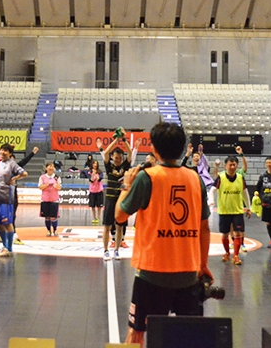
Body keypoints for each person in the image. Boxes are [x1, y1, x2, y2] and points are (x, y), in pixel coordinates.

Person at [115, 122, 212, 348]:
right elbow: (204, 228)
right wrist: (203, 264)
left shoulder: (146, 177)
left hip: (152, 274)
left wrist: (126, 186)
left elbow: (119, 216)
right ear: (181, 148)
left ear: (155, 149)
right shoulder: (195, 179)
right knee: (189, 339)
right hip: (188, 273)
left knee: (136, 335)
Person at [97, 136, 133, 261]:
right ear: (112, 158)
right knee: (107, 227)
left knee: (119, 227)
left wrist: (123, 140)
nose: (117, 160)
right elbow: (106, 153)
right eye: (115, 158)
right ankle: (106, 251)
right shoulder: (109, 167)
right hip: (110, 199)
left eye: (119, 158)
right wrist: (115, 140)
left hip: (121, 200)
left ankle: (117, 250)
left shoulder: (126, 166)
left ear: (122, 158)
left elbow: (130, 152)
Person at [211, 155, 251, 265]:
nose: (232, 167)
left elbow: (245, 193)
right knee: (225, 234)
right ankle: (227, 253)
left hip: (237, 211)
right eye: (230, 164)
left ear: (237, 165)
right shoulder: (221, 177)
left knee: (238, 234)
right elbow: (212, 190)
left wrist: (248, 207)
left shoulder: (240, 178)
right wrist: (211, 200)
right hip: (224, 211)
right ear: (225, 165)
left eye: (234, 164)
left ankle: (236, 255)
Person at [0, 143, 27, 258]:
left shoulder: (12, 164)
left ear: (10, 153)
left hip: (5, 199)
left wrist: (14, 179)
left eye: (6, 150)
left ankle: (9, 248)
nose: (3, 152)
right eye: (2, 150)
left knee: (7, 223)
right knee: (0, 224)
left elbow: (24, 173)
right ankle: (4, 246)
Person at [39, 162, 62, 236]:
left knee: (53, 217)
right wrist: (47, 184)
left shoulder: (57, 177)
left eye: (52, 166)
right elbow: (40, 187)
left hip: (54, 199)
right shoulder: (42, 177)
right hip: (45, 199)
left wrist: (56, 186)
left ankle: (55, 230)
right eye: (49, 166)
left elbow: (60, 188)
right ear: (46, 168)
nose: (51, 168)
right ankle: (48, 230)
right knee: (47, 217)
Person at [86, 160, 104, 225]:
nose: (95, 165)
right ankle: (94, 217)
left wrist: (96, 174)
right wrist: (93, 174)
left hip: (99, 190)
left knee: (99, 205)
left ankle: (99, 217)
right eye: (94, 163)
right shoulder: (89, 172)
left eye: (96, 163)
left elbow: (99, 179)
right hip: (92, 191)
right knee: (92, 205)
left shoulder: (100, 172)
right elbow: (91, 180)